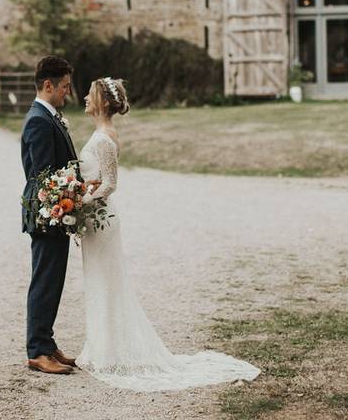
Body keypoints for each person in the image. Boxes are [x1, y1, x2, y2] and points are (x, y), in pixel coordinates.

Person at [75, 77, 260, 391]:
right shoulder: (99, 134)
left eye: (90, 95)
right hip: (92, 220)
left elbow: (110, 184)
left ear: (103, 102)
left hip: (102, 219)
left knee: (107, 282)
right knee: (97, 281)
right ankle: (100, 347)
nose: (84, 98)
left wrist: (81, 200)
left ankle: (107, 352)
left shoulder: (105, 138)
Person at [20, 55, 89, 374]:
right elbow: (43, 176)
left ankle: (47, 343)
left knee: (53, 279)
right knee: (45, 280)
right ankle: (37, 350)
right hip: (48, 214)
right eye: (64, 87)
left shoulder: (49, 116)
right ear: (48, 85)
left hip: (57, 212)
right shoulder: (38, 119)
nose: (67, 93)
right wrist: (68, 197)